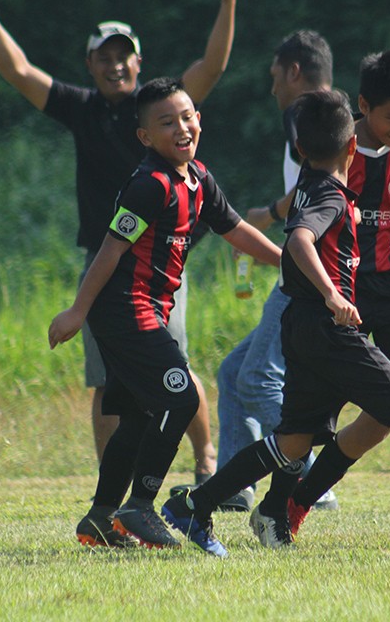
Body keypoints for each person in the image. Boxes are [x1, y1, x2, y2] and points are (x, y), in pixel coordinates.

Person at [161, 89, 390, 557]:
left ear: (300, 150)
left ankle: (198, 505)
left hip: (301, 325)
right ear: (352, 148)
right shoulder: (327, 193)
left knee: (292, 441)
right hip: (327, 326)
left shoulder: (309, 182)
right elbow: (301, 240)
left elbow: (296, 233)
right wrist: (332, 293)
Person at [0, 0, 237, 480]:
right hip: (105, 266)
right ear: (90, 64)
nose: (114, 66)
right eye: (104, 57)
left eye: (122, 56)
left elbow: (211, 68)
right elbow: (18, 71)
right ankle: (112, 482)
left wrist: (227, 2)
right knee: (106, 380)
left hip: (162, 264)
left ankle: (206, 462)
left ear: (139, 61)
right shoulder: (82, 109)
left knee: (174, 363)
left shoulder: (157, 107)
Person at [48, 79, 281, 549]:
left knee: (138, 417)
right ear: (145, 137)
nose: (182, 128)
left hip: (148, 311)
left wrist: (290, 262)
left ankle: (100, 517)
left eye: (188, 116)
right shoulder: (149, 185)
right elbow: (110, 250)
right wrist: (77, 310)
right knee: (181, 399)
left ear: (200, 119)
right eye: (166, 122)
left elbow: (235, 229)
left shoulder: (197, 179)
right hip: (124, 312)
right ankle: (141, 506)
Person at [254, 50, 390, 539]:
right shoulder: (334, 152)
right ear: (364, 107)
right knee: (319, 419)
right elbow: (304, 226)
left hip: (389, 288)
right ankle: (285, 503)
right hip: (338, 293)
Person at [210, 30, 338, 513]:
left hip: (308, 279)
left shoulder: (303, 114)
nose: (272, 90)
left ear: (294, 73)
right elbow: (316, 187)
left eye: (274, 77)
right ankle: (235, 489)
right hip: (309, 274)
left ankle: (314, 481)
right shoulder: (338, 124)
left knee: (258, 379)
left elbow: (319, 187)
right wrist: (269, 212)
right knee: (233, 373)